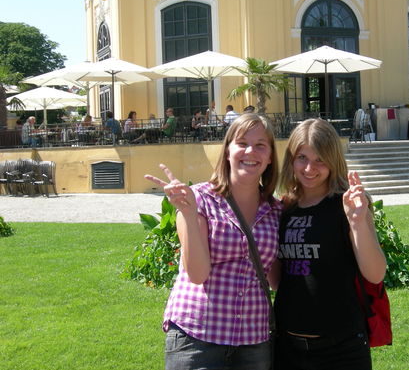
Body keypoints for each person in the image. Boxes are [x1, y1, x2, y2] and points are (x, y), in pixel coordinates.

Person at [145, 113, 281, 370]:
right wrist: (186, 213)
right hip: (197, 336)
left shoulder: (275, 210)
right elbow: (197, 274)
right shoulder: (199, 199)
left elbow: (276, 279)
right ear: (227, 151)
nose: (250, 151)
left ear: (270, 156)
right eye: (242, 143)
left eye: (261, 145)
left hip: (253, 339)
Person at [271, 118, 387, 370]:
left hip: (341, 349)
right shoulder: (285, 208)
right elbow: (277, 280)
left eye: (320, 159)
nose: (310, 168)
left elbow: (375, 274)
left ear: (333, 161)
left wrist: (357, 222)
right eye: (302, 157)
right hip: (287, 347)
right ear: (291, 159)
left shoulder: (348, 205)